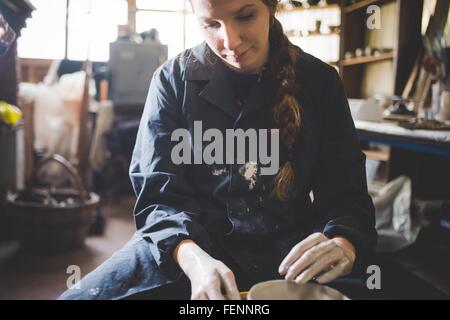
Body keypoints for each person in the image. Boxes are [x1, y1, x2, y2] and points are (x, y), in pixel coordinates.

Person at [60, 0, 445, 300]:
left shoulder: (320, 82)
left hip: (291, 253)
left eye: (244, 16)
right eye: (211, 23)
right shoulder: (173, 80)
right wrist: (194, 260)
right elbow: (158, 197)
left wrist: (343, 242)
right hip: (187, 244)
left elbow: (346, 196)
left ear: (271, 7)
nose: (230, 41)